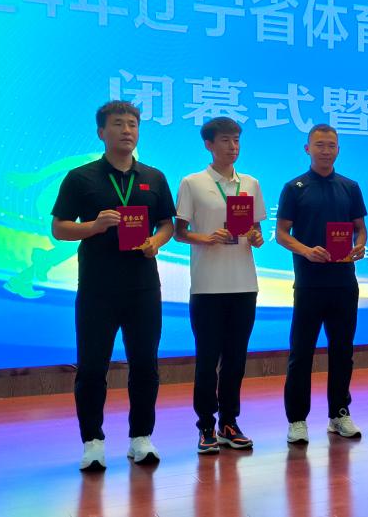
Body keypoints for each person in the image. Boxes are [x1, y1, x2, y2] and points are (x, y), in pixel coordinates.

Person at [51, 101, 176, 470]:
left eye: (132, 124)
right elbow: (59, 228)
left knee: (145, 365)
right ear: (101, 132)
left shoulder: (153, 177)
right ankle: (92, 442)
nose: (126, 130)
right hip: (98, 288)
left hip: (143, 288)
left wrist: (157, 241)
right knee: (92, 368)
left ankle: (141, 438)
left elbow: (167, 224)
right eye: (118, 124)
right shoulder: (81, 177)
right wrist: (92, 226)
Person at [174, 117, 267, 454]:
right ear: (209, 144)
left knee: (236, 359)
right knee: (207, 359)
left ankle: (229, 422)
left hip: (244, 283)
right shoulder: (192, 182)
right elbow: (179, 232)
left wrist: (256, 237)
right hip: (207, 286)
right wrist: (206, 238)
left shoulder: (250, 183)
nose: (233, 146)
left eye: (237, 140)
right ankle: (205, 426)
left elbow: (257, 230)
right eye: (226, 140)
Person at [277, 124, 368, 444]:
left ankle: (339, 414)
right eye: (319, 145)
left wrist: (360, 245)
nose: (326, 150)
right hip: (309, 284)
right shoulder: (294, 187)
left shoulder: (350, 187)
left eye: (331, 145)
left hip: (344, 283)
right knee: (301, 353)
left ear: (338, 149)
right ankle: (297, 420)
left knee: (343, 352)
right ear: (308, 149)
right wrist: (306, 250)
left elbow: (360, 228)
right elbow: (282, 234)